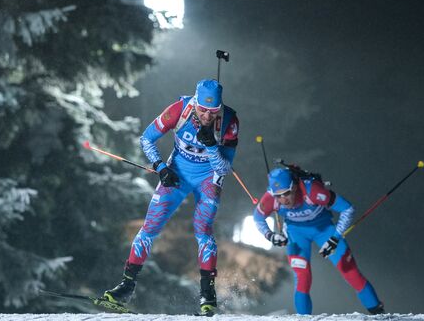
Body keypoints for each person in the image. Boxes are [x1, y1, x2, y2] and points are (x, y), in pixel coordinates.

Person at [102, 79, 239, 315]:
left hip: (209, 178)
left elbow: (225, 169)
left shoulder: (229, 121)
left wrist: (212, 147)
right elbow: (146, 138)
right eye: (203, 109)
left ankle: (207, 297)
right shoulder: (180, 109)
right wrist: (160, 167)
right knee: (150, 227)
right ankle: (126, 287)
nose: (207, 116)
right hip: (177, 173)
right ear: (195, 102)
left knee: (203, 230)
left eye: (213, 111)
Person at [253, 167, 384, 315]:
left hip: (324, 230)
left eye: (287, 193)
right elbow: (257, 218)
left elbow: (347, 208)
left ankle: (378, 314)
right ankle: (304, 318)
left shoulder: (312, 191)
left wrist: (335, 237)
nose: (283, 199)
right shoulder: (270, 198)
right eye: (278, 196)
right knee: (302, 278)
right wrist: (270, 235)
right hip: (296, 234)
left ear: (294, 187)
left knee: (349, 271)